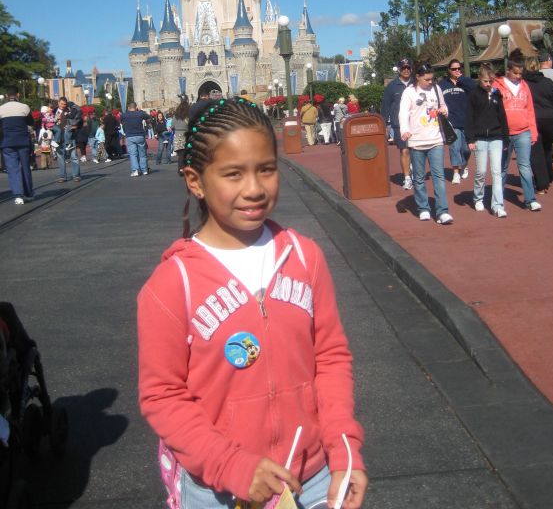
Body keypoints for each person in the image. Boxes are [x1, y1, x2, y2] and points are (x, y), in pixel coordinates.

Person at [137, 98, 368, 509]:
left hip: (312, 478)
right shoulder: (173, 283)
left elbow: (330, 359)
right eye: (233, 174)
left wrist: (344, 449)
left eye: (266, 169)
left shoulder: (304, 257)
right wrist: (231, 465)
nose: (255, 189)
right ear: (195, 181)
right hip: (220, 489)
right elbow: (162, 395)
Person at [399, 63, 453, 224]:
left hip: (436, 138)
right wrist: (404, 130)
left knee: (439, 176)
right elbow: (403, 112)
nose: (430, 82)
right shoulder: (409, 92)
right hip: (417, 140)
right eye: (427, 79)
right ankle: (423, 208)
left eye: (432, 79)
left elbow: (443, 105)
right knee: (419, 177)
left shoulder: (436, 88)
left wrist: (444, 110)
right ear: (418, 77)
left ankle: (442, 211)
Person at [493, 56, 541, 211]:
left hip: (523, 131)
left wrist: (533, 131)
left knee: (525, 166)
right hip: (503, 133)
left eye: (521, 73)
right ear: (508, 70)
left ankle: (530, 199)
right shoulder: (497, 85)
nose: (518, 76)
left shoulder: (524, 85)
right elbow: (492, 109)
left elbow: (530, 110)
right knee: (502, 167)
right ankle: (498, 201)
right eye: (515, 73)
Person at [465, 65, 509, 217]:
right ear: (479, 79)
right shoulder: (474, 95)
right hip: (480, 138)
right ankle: (478, 197)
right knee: (481, 171)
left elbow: (502, 117)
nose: (488, 84)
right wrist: (470, 138)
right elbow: (469, 117)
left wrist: (505, 138)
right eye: (485, 81)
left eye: (491, 81)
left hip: (496, 137)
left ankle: (498, 205)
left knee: (496, 172)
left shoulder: (497, 94)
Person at [523, 57, 553, 193]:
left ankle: (541, 183)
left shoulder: (523, 84)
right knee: (547, 149)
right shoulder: (547, 82)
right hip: (550, 118)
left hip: (533, 119)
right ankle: (548, 176)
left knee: (536, 151)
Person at [438, 59, 476, 184]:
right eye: (454, 69)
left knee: (466, 149)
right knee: (454, 147)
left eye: (459, 68)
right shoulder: (443, 84)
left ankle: (464, 165)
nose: (457, 70)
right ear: (449, 70)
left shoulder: (466, 82)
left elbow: (475, 88)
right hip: (452, 121)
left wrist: (462, 79)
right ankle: (455, 173)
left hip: (466, 121)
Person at [381, 59, 414, 190]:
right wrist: (384, 125)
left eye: (408, 67)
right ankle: (407, 178)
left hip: (416, 123)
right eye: (403, 67)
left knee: (416, 151)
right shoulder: (392, 86)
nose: (406, 70)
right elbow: (385, 106)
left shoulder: (416, 83)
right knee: (404, 150)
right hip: (399, 124)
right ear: (399, 69)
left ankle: (414, 170)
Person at [0, 86, 35, 205]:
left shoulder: (1, 109)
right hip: (23, 141)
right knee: (25, 167)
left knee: (12, 169)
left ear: (6, 96)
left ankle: (18, 195)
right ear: (18, 95)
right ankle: (28, 194)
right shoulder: (25, 107)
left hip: (7, 142)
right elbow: (31, 122)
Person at [54, 97, 82, 183]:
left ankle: (76, 175)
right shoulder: (53, 111)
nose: (63, 106)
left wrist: (73, 127)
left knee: (73, 156)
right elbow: (48, 123)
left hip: (70, 137)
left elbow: (78, 121)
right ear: (58, 103)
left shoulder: (70, 111)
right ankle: (62, 176)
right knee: (60, 157)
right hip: (58, 138)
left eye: (64, 104)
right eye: (61, 104)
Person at [121, 101, 151, 176]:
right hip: (140, 135)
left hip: (130, 136)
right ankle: (144, 170)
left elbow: (121, 120)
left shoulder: (124, 115)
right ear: (136, 107)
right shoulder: (140, 113)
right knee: (142, 154)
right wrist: (140, 111)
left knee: (133, 154)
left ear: (128, 108)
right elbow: (148, 116)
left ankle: (135, 170)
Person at [171, 98, 190, 174]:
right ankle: (185, 167)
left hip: (177, 135)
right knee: (186, 153)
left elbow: (172, 126)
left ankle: (181, 168)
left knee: (180, 154)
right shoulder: (188, 116)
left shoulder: (176, 116)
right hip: (186, 134)